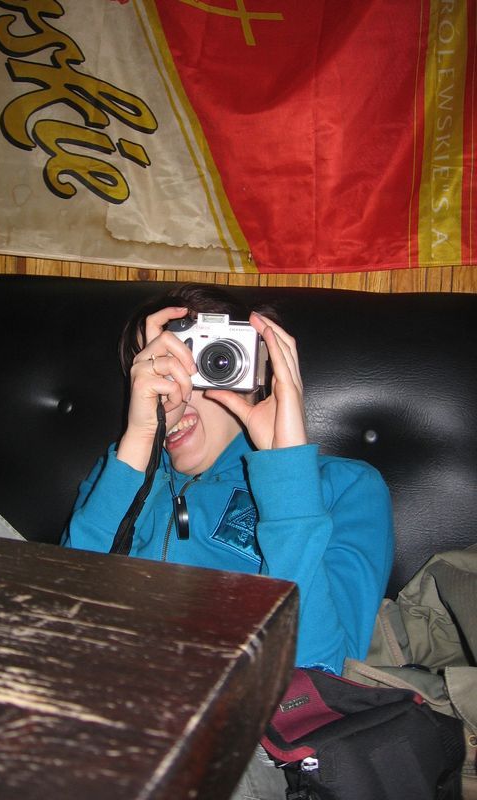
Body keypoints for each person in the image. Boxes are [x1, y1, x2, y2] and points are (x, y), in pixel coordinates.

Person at [61, 283, 394, 798]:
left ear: (245, 364)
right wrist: (136, 445)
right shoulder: (122, 472)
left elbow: (316, 677)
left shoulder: (342, 487)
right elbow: (62, 618)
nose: (172, 394)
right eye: (155, 369)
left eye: (187, 363)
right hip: (90, 711)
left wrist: (286, 473)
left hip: (230, 750)